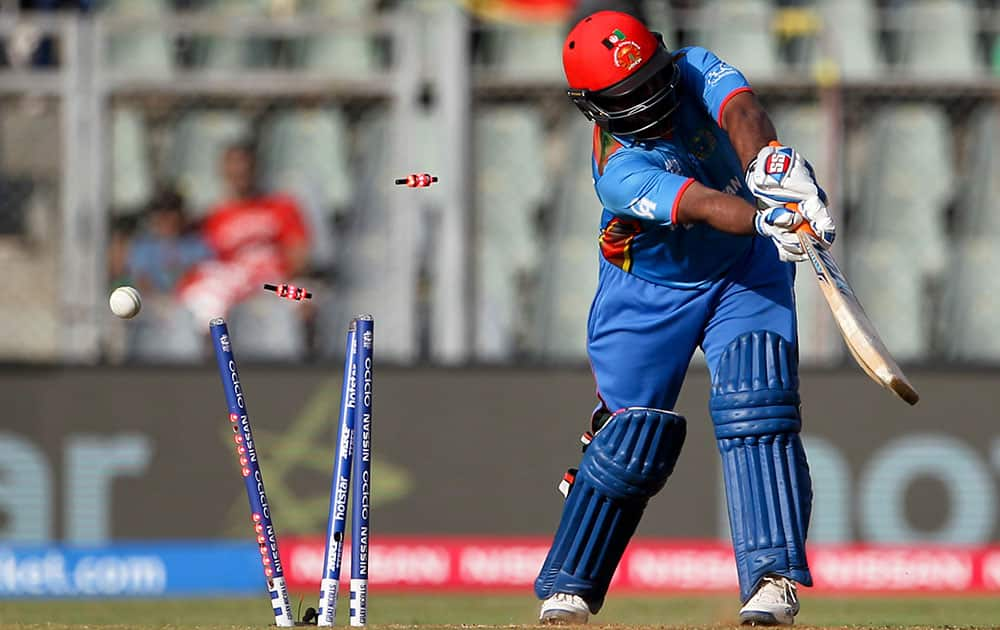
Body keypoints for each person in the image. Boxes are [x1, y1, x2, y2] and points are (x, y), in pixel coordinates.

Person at [534, 11, 836, 626]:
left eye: (651, 79)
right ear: (592, 105)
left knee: (761, 400)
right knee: (629, 441)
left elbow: (741, 113)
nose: (649, 99)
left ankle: (772, 579)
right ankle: (570, 585)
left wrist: (769, 167)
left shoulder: (693, 67)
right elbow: (697, 203)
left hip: (744, 271)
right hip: (647, 291)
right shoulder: (617, 171)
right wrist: (764, 217)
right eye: (629, 94)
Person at [179, 141, 310, 324]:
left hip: (271, 285)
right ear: (223, 170)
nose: (240, 171)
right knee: (202, 304)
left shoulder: (282, 206)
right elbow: (208, 263)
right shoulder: (214, 216)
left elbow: (299, 256)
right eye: (233, 165)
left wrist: (263, 279)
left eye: (245, 164)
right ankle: (216, 351)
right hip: (232, 284)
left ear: (256, 167)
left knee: (305, 298)